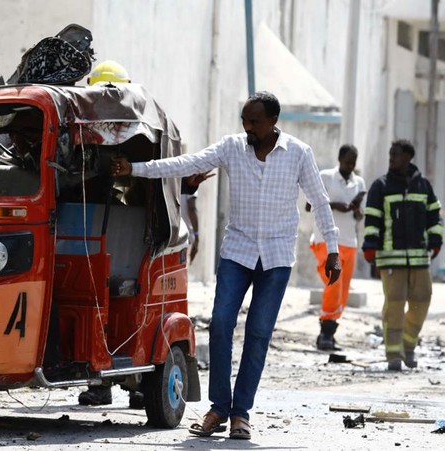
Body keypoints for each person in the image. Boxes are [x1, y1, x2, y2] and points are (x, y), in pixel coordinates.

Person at [111, 91, 341, 440]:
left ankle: (240, 414)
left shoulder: (298, 153)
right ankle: (219, 408)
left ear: (273, 121)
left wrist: (334, 250)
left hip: (277, 257)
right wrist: (136, 170)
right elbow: (186, 163)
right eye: (245, 121)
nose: (248, 127)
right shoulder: (232, 147)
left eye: (255, 122)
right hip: (238, 251)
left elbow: (320, 203)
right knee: (220, 325)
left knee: (259, 333)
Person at [362, 140, 442, 371]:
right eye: (390, 154)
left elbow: (435, 217)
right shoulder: (381, 186)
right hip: (390, 258)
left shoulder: (423, 186)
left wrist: (435, 241)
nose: (391, 158)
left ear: (408, 157)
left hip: (419, 257)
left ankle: (409, 345)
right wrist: (371, 248)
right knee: (395, 305)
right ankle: (393, 354)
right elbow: (372, 219)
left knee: (423, 299)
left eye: (395, 154)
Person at [307, 144, 366, 350]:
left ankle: (329, 332)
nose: (350, 166)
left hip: (349, 241)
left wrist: (356, 208)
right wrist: (334, 205)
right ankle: (326, 332)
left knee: (342, 292)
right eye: (347, 161)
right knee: (334, 283)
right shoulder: (325, 177)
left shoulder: (358, 182)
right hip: (325, 240)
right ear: (339, 159)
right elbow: (309, 205)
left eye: (353, 163)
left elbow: (360, 216)